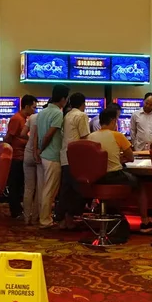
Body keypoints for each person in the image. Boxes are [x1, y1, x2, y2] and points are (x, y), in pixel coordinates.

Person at [88, 108, 152, 233]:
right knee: (140, 185)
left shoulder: (90, 137)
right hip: (113, 176)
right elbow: (131, 157)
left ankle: (111, 217)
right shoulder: (117, 135)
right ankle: (145, 221)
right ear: (113, 121)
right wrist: (120, 160)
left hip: (95, 179)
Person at [35, 85, 70, 228]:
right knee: (50, 190)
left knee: (44, 188)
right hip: (52, 154)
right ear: (62, 99)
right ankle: (45, 220)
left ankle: (44, 216)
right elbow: (49, 134)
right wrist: (41, 147)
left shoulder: (42, 112)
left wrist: (38, 149)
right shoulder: (57, 114)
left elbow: (38, 133)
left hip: (44, 154)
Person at [57, 93, 90, 229]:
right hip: (77, 157)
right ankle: (69, 219)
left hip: (65, 156)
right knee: (77, 191)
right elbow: (85, 137)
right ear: (83, 103)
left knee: (66, 190)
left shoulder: (67, 115)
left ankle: (62, 219)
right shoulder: (81, 116)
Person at [4, 94, 37, 219]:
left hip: (23, 155)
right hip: (16, 156)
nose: (34, 110)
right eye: (33, 107)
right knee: (15, 186)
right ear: (27, 106)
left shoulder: (25, 119)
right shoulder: (17, 119)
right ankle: (15, 211)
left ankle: (19, 210)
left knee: (21, 185)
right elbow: (8, 137)